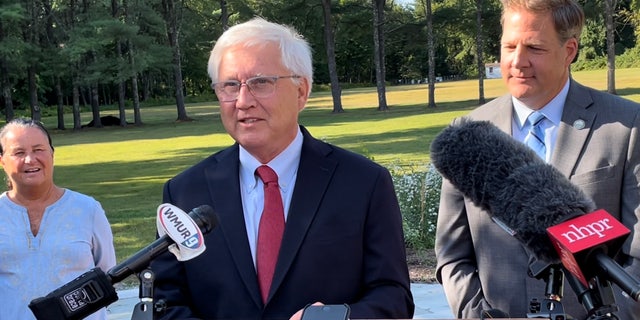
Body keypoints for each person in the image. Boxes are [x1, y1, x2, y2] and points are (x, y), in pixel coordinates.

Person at [150, 17, 414, 320]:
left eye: (261, 82)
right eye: (230, 86)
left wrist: (337, 317)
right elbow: (165, 303)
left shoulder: (364, 183)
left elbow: (393, 296)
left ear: (301, 91)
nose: (243, 101)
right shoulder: (185, 191)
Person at [435, 0, 640, 319]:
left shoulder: (627, 126)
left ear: (569, 50)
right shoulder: (468, 136)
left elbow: (637, 255)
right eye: (509, 46)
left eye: (534, 48)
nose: (518, 62)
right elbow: (452, 256)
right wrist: (477, 315)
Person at [0, 118, 116, 320]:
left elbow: (108, 275)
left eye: (38, 149)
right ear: (2, 160)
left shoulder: (88, 210)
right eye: (19, 152)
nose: (30, 159)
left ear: (52, 153)